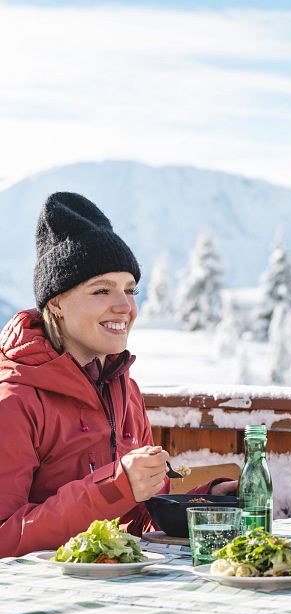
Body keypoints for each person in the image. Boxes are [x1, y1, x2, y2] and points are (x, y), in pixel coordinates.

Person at [0, 192, 237, 558]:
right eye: (101, 290)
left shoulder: (122, 389)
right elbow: (4, 537)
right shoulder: (14, 400)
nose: (125, 306)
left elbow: (135, 516)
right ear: (56, 302)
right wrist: (113, 485)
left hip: (115, 586)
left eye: (130, 289)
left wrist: (202, 501)